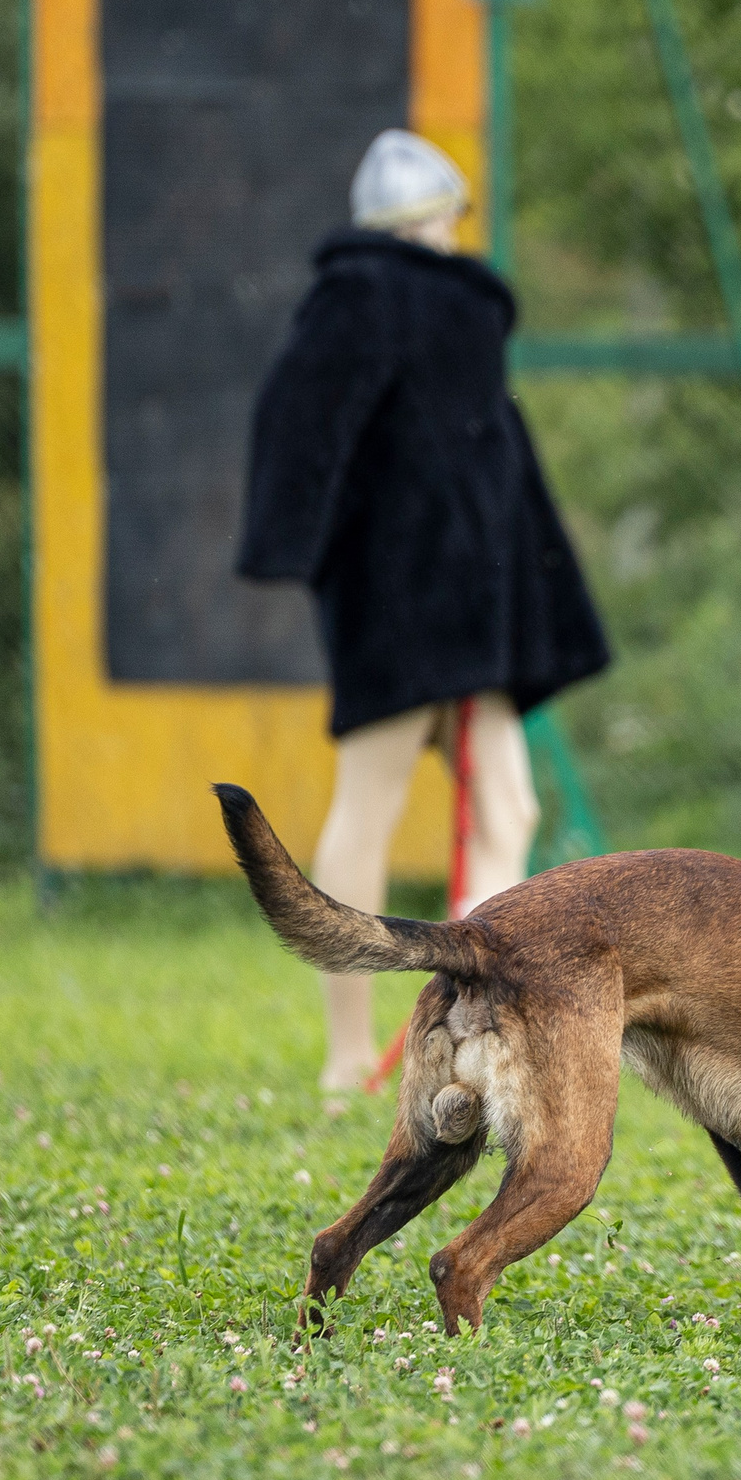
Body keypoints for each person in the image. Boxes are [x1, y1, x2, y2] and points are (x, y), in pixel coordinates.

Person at [238, 129, 610, 1092]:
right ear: (432, 217)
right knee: (373, 797)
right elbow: (317, 431)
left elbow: (485, 461)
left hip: (464, 610)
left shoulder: (437, 311)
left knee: (505, 804)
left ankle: (461, 1040)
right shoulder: (368, 300)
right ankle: (346, 1051)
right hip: (409, 605)